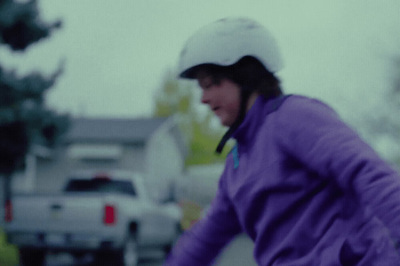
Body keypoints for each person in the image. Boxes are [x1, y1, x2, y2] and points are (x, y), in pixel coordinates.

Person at [164, 17, 400, 265]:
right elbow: (205, 237)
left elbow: (369, 173)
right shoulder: (237, 165)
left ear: (246, 77)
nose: (203, 98)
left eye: (211, 84)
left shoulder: (293, 117)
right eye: (201, 88)